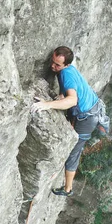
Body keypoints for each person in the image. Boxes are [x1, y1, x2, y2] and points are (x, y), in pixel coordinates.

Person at [31, 46, 100, 197]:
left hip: (87, 117)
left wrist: (47, 105)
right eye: (53, 61)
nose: (52, 66)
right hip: (89, 110)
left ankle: (68, 189)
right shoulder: (67, 70)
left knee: (73, 153)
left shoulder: (66, 73)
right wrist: (60, 96)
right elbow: (70, 88)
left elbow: (72, 100)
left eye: (57, 65)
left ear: (66, 65)